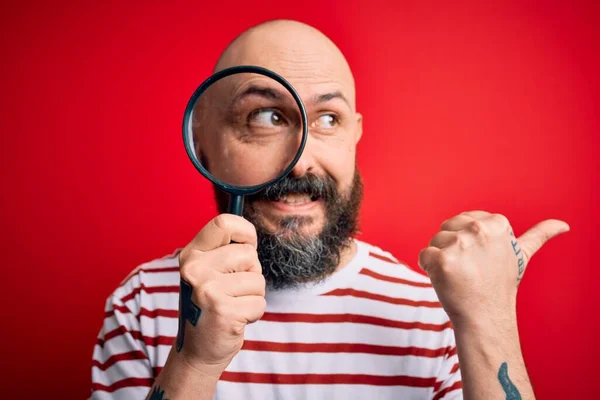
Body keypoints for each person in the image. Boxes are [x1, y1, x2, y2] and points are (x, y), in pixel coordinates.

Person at [90, 19, 569, 400]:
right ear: (202, 140)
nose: (300, 162)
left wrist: (488, 320)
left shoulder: (433, 312)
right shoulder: (142, 305)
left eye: (327, 119)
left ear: (355, 135)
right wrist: (194, 362)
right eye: (267, 116)